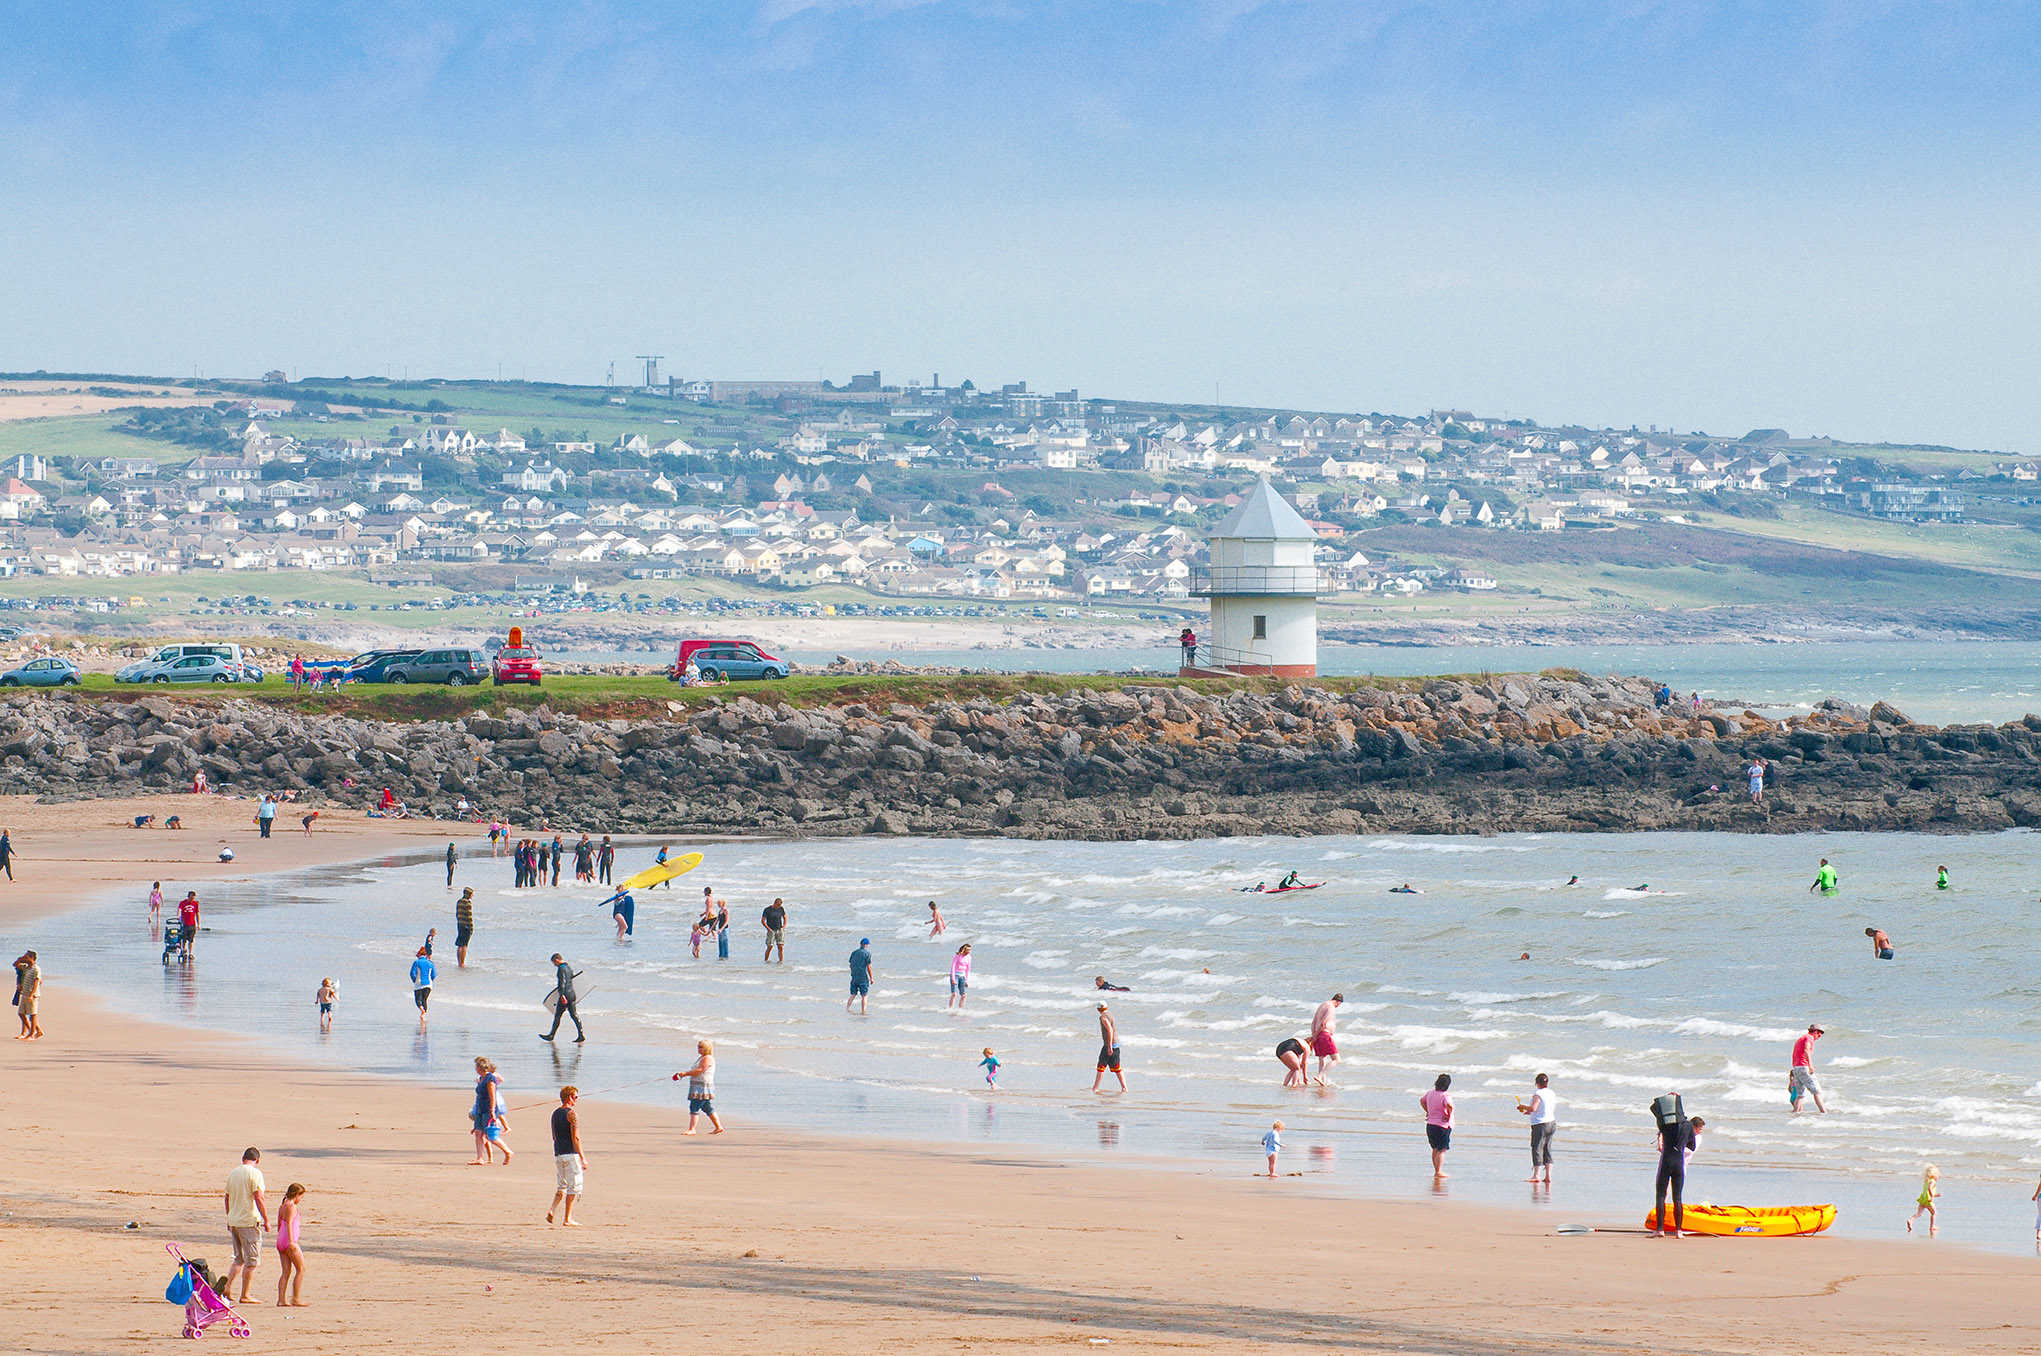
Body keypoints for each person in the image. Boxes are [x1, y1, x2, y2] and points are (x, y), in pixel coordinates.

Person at [222, 1147, 270, 1304]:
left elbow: (227, 1198)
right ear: (257, 1160)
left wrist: (229, 1217)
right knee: (251, 1261)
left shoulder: (233, 1173)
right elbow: (258, 1197)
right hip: (248, 1221)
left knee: (239, 1259)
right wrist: (266, 1219)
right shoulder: (255, 1173)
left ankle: (227, 1286)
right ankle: (245, 1294)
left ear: (243, 1159)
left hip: (234, 1221)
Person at [1650, 1093, 1695, 1237]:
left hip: (1666, 1162)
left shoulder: (1665, 1124)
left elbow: (1654, 1110)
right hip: (1678, 1163)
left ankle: (1660, 1230)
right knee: (1678, 1198)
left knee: (1661, 1196)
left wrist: (1667, 1101)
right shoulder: (1688, 1126)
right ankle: (1678, 1231)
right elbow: (1692, 1146)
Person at [548, 1086, 585, 1226]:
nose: (576, 1099)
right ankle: (567, 1218)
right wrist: (583, 1157)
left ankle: (552, 1210)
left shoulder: (555, 1113)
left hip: (558, 1153)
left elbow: (554, 1136)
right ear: (569, 1097)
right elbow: (576, 1138)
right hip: (570, 1154)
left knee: (562, 1185)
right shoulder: (572, 1114)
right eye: (575, 1097)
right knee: (574, 1186)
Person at [470, 1057, 513, 1165]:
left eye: (476, 1066)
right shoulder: (481, 1078)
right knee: (478, 1133)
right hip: (480, 1109)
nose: (475, 1068)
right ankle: (479, 1158)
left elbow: (492, 1096)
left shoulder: (490, 1079)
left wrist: (492, 1111)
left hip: (488, 1110)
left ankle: (508, 1152)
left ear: (480, 1067)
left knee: (490, 1136)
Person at [1517, 1072, 1556, 1184]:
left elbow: (1534, 1108)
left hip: (1540, 1124)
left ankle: (1536, 1175)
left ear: (1537, 1083)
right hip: (1551, 1122)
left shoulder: (1538, 1093)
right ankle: (1548, 1176)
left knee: (1536, 1148)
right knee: (1547, 1148)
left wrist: (1523, 1107)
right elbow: (1545, 1107)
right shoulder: (1551, 1093)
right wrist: (1529, 1112)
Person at [273, 1182, 307, 1307]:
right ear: (296, 1195)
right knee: (301, 1269)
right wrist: (292, 1242)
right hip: (288, 1240)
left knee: (286, 1271)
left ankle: (281, 1300)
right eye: (301, 1196)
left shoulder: (282, 1206)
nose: (300, 1199)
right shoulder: (291, 1206)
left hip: (281, 1240)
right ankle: (295, 1298)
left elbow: (279, 1225)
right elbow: (288, 1224)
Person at [680, 1040, 723, 1134]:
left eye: (701, 1047)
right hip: (698, 1085)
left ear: (706, 1048)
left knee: (694, 1106)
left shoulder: (707, 1058)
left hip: (702, 1087)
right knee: (706, 1107)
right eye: (698, 1047)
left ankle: (692, 1129)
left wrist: (685, 1073)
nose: (698, 1049)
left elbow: (700, 1070)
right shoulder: (702, 1058)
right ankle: (718, 1127)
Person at [542, 953, 585, 1043]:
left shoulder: (561, 969)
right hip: (572, 994)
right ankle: (581, 1035)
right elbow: (572, 979)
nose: (554, 965)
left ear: (557, 960)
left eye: (554, 963)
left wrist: (562, 995)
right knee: (574, 1015)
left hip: (565, 995)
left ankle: (551, 1035)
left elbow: (562, 983)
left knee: (557, 1016)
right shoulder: (569, 967)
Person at [1420, 1074, 1454, 1177]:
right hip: (1442, 1126)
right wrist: (1448, 1115)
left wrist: (1428, 1111)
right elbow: (1449, 1106)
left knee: (1435, 1148)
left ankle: (1436, 1170)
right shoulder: (1445, 1095)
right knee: (1442, 1149)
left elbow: (1422, 1101)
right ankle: (1438, 1171)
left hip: (1430, 1125)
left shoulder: (1430, 1093)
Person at [1789, 1023, 1827, 1113]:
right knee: (1817, 1091)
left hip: (1796, 1068)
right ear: (1815, 1031)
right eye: (1820, 1033)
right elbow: (1807, 1050)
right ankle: (1824, 1112)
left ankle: (1795, 1113)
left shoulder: (1801, 1038)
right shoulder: (1809, 1038)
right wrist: (1810, 1065)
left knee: (1800, 1095)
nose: (1820, 1036)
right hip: (1803, 1067)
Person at [1309, 993, 1343, 1083]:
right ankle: (1320, 1076)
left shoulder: (1322, 1005)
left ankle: (1322, 1081)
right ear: (1338, 1002)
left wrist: (1314, 1035)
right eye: (1339, 1005)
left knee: (1322, 1059)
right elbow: (1323, 1023)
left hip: (1318, 1036)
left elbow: (1314, 1022)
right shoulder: (1331, 1007)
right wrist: (1316, 1034)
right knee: (1337, 1059)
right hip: (1324, 1034)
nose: (1337, 1007)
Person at [1093, 1003, 1125, 1093]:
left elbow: (1110, 1030)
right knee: (1116, 1067)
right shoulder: (1110, 1014)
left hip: (1109, 1045)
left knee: (1101, 1067)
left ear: (1098, 1009)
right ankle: (1124, 1087)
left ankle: (1095, 1088)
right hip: (1116, 1044)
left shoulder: (1103, 1017)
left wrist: (1109, 1046)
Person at [14, 950, 41, 1040]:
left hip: (32, 995)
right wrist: (21, 959)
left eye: (26, 957)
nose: (25, 958)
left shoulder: (36, 969)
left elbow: (36, 982)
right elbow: (15, 964)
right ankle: (31, 1032)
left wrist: (31, 995)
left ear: (31, 958)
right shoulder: (26, 967)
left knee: (33, 1014)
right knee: (21, 1013)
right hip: (24, 993)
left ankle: (32, 1034)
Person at [1907, 1165, 1940, 1237]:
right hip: (1928, 1200)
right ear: (1935, 1175)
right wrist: (1932, 1196)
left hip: (1922, 1200)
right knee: (1934, 1213)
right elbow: (1929, 1189)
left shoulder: (1926, 1181)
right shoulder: (1933, 1181)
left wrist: (1935, 1195)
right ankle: (1932, 1227)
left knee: (1918, 1214)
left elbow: (1927, 1191)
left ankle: (1911, 1220)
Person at [409, 947, 436, 1028]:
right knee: (424, 999)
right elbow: (434, 975)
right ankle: (424, 1015)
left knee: (418, 1000)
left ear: (419, 954)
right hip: (428, 985)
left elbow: (412, 973)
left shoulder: (416, 962)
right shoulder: (430, 963)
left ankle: (422, 1011)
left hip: (419, 984)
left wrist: (415, 980)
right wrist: (430, 981)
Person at [847, 937, 874, 1014]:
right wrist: (871, 978)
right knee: (864, 995)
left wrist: (853, 973)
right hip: (863, 977)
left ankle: (847, 1009)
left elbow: (851, 964)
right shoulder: (867, 954)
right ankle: (863, 1011)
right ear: (866, 945)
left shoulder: (854, 952)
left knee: (853, 994)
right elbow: (868, 967)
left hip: (854, 976)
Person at [762, 896, 788, 964]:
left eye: (779, 905)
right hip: (771, 930)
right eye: (777, 905)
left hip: (779, 929)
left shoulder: (781, 909)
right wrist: (768, 929)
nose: (778, 907)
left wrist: (784, 925)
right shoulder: (767, 910)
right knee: (770, 946)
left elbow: (784, 917)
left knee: (780, 946)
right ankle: (766, 960)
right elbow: (763, 921)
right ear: (774, 903)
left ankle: (781, 961)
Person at [177, 890, 200, 962]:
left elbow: (197, 914)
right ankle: (184, 951)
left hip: (192, 924)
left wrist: (198, 924)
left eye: (193, 898)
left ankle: (190, 953)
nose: (192, 899)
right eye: (191, 898)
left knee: (191, 940)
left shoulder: (195, 904)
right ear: (188, 896)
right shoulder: (183, 903)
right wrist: (178, 916)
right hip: (185, 924)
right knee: (184, 939)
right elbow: (179, 909)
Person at [455, 888, 476, 967]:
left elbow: (457, 914)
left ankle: (459, 962)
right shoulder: (468, 903)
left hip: (460, 924)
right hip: (466, 925)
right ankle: (462, 963)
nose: (472, 895)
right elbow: (469, 916)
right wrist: (471, 927)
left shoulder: (459, 901)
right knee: (464, 945)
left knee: (459, 944)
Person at [948, 942, 972, 1009]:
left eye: (970, 950)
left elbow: (968, 970)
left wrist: (966, 981)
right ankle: (950, 1009)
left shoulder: (969, 957)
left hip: (962, 977)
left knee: (963, 995)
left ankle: (960, 1009)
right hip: (955, 976)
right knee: (954, 994)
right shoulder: (957, 956)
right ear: (964, 949)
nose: (969, 951)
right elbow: (953, 967)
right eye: (968, 950)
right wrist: (953, 979)